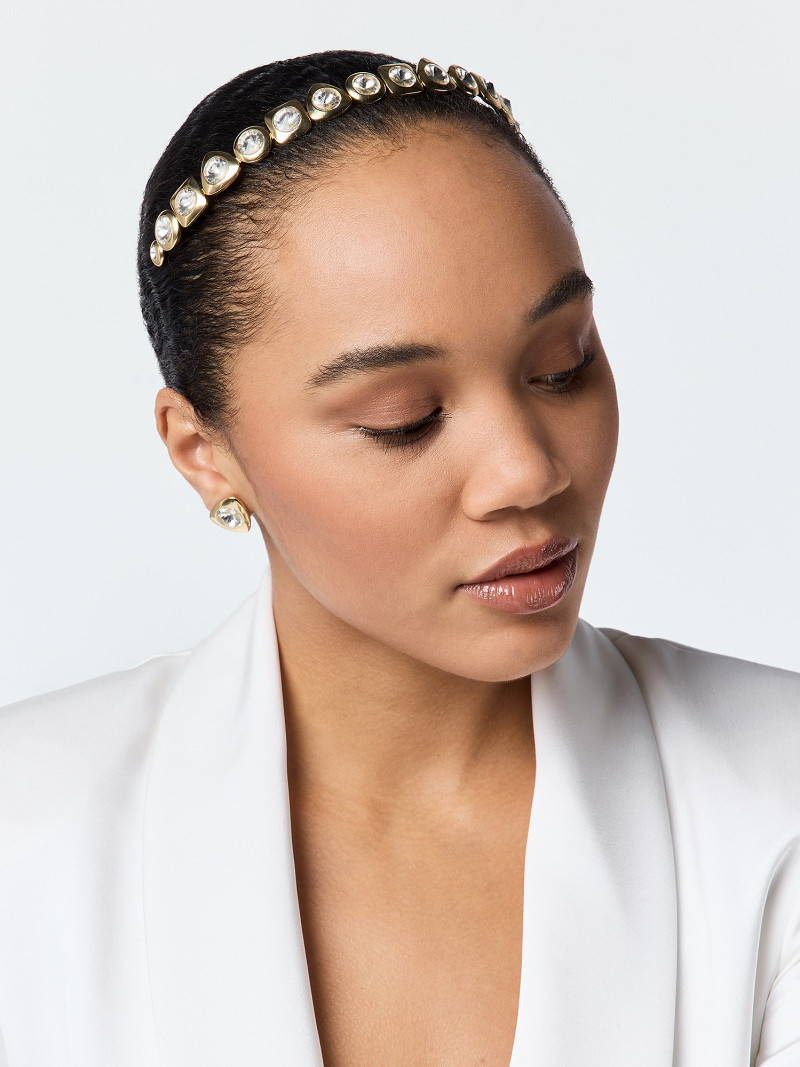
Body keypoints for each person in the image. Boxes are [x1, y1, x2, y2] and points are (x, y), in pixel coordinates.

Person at [0, 47, 798, 1067]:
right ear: (204, 453)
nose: (526, 470)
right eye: (403, 418)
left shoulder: (776, 802)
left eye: (562, 366)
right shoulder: (25, 840)